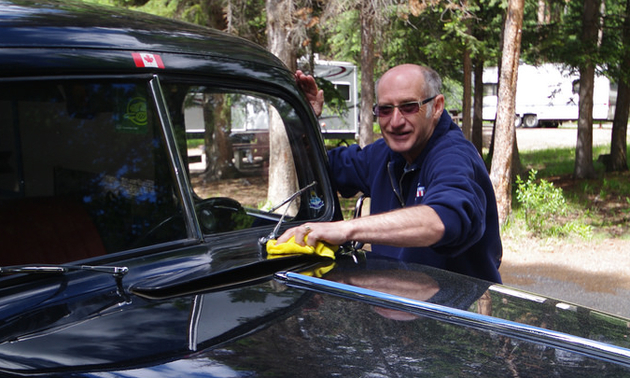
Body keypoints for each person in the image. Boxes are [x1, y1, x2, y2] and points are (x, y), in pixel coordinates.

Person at [281, 64, 502, 283]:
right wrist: (305, 120)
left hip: (454, 312)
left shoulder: (454, 156)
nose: (395, 122)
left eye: (409, 107)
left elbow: (445, 218)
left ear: (437, 106)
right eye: (385, 110)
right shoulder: (384, 155)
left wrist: (345, 230)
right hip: (397, 305)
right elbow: (327, 166)